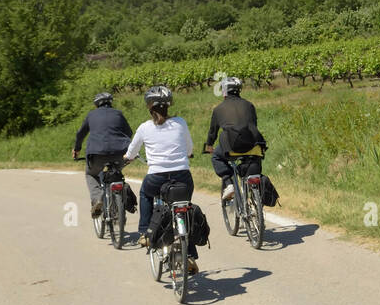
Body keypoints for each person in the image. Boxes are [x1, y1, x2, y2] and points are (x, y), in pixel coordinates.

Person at [124, 85, 199, 273]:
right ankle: (188, 254)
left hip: (156, 177)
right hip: (182, 176)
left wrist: (127, 158)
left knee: (145, 194)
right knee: (184, 209)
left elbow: (132, 152)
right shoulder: (180, 122)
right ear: (169, 105)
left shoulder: (144, 128)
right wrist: (187, 154)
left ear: (149, 107)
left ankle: (145, 232)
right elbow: (189, 147)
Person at [202, 76, 266, 203]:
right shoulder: (249, 105)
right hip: (253, 143)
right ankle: (255, 195)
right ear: (239, 90)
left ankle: (228, 182)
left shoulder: (218, 109)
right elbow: (254, 124)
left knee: (216, 156)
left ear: (224, 91)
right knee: (254, 160)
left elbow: (213, 132)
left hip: (231, 146)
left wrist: (209, 146)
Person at [72, 92, 134, 218]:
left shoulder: (91, 115)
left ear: (96, 104)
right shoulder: (118, 113)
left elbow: (80, 134)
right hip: (120, 154)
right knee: (117, 172)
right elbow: (129, 132)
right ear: (110, 102)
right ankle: (120, 195)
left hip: (97, 154)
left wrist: (77, 149)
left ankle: (97, 198)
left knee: (91, 174)